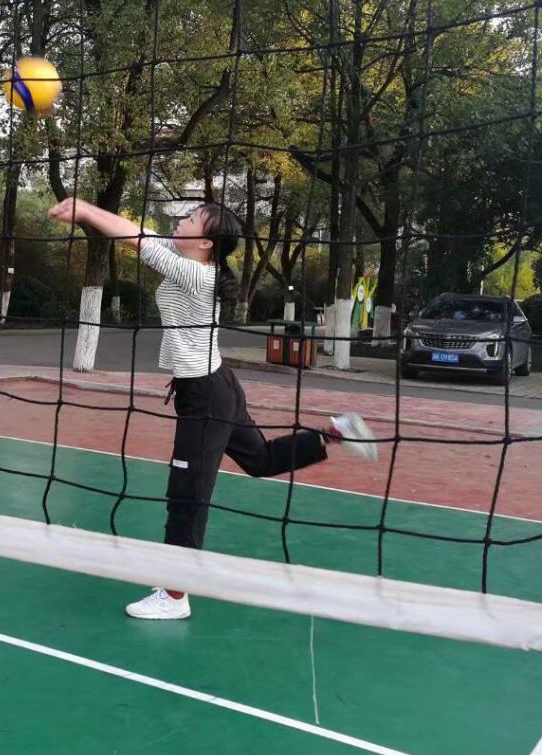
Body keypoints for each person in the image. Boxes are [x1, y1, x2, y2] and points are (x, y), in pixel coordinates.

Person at [47, 197, 377, 620]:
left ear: (206, 242)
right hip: (217, 385)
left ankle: (174, 595)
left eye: (190, 219)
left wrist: (86, 211)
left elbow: (136, 240)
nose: (181, 221)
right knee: (260, 460)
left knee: (187, 494)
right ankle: (334, 433)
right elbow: (138, 233)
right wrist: (87, 208)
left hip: (205, 395)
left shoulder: (196, 274)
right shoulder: (186, 260)